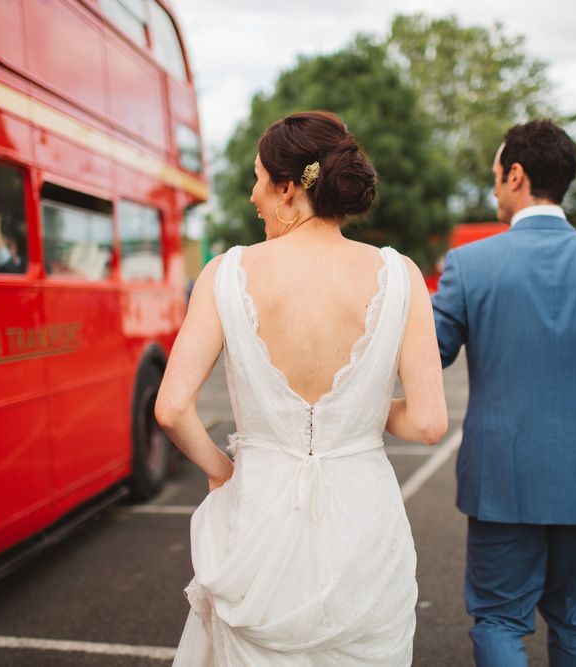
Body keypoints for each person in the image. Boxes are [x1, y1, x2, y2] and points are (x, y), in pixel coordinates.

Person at [155, 110, 447, 665]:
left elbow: (172, 409)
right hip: (362, 521)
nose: (252, 195)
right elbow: (430, 424)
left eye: (259, 179)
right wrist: (362, 408)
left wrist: (221, 471)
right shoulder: (400, 274)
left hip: (259, 513)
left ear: (289, 188)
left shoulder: (226, 272)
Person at [432, 119, 576, 667]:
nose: (493, 190)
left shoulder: (470, 265)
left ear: (516, 175)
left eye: (494, 177)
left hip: (500, 476)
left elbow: (430, 353)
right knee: (575, 616)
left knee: (499, 619)